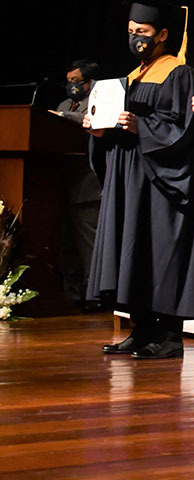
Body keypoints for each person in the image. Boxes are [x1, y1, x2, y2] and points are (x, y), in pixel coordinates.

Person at [86, 0, 194, 358]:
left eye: (144, 31)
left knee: (159, 250)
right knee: (133, 249)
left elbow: (184, 130)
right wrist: (100, 131)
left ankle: (167, 336)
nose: (137, 37)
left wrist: (142, 126)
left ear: (163, 34)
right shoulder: (131, 76)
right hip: (129, 176)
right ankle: (140, 329)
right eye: (132, 30)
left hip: (160, 180)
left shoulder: (178, 73)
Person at [55, 59, 102, 306]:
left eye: (76, 81)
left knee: (89, 246)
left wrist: (63, 116)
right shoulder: (64, 104)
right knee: (67, 247)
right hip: (61, 183)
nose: (71, 86)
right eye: (69, 81)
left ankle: (93, 295)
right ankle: (70, 294)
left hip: (87, 184)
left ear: (89, 82)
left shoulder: (96, 102)